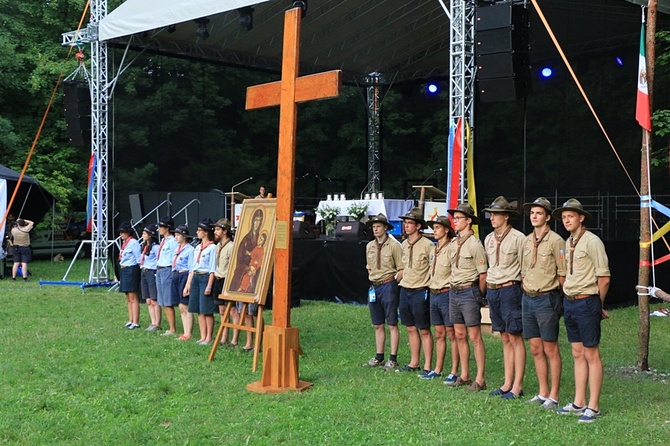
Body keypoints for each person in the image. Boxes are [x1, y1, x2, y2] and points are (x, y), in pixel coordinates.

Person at [552, 199, 610, 423]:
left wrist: (599, 305)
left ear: (581, 217)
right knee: (577, 352)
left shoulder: (592, 241)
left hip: (587, 301)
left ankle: (593, 407)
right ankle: (579, 402)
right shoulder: (568, 242)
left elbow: (603, 277)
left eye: (571, 216)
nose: (566, 220)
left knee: (591, 353)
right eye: (564, 217)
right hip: (570, 301)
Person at [521, 197, 566, 410]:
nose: (534, 216)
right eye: (532, 213)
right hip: (527, 298)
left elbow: (563, 273)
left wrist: (556, 295)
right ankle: (542, 392)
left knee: (550, 348)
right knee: (535, 347)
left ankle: (554, 395)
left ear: (548, 217)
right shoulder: (526, 240)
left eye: (539, 213)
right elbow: (523, 268)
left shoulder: (556, 241)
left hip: (546, 298)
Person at [482, 196, 526, 399]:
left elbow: (525, 269)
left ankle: (518, 385)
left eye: (496, 214)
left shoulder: (519, 238)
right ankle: (507, 382)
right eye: (491, 214)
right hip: (493, 289)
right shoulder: (488, 239)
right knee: (504, 337)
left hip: (510, 289)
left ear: (506, 217)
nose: (492, 218)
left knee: (515, 336)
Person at [446, 203, 488, 391]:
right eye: (454, 218)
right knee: (459, 334)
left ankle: (480, 378)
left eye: (458, 218)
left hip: (469, 291)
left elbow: (483, 274)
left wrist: (478, 295)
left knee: (474, 336)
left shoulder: (475, 244)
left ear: (469, 221)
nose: (455, 221)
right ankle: (465, 374)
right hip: (454, 291)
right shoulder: (453, 243)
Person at [362, 213, 403, 370]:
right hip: (374, 286)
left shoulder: (394, 246)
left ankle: (393, 358)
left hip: (388, 285)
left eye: (378, 226)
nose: (375, 229)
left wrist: (392, 283)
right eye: (373, 226)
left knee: (392, 323)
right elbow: (369, 266)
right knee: (377, 324)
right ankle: (379, 356)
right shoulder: (369, 246)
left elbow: (401, 268)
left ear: (386, 228)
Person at [396, 208, 434, 375]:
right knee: (410, 327)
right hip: (405, 289)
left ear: (419, 226)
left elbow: (432, 268)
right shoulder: (403, 245)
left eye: (410, 223)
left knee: (424, 329)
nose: (406, 225)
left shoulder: (428, 245)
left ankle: (427, 365)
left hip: (420, 290)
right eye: (405, 222)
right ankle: (414, 362)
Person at [424, 215, 460, 382]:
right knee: (439, 333)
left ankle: (454, 370)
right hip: (434, 293)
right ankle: (437, 369)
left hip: (446, 293)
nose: (434, 230)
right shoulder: (433, 248)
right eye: (434, 227)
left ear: (446, 230)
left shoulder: (452, 247)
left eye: (437, 227)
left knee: (451, 333)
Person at [184, 218, 217, 345]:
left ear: (206, 232)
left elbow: (212, 269)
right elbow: (193, 268)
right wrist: (188, 284)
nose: (197, 233)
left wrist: (209, 285)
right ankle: (203, 336)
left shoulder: (212, 248)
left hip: (205, 277)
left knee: (206, 309)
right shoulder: (197, 247)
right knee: (198, 308)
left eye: (200, 231)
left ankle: (209, 337)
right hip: (196, 277)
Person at [212, 218, 235, 345]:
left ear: (225, 231)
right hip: (218, 279)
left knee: (231, 310)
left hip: (227, 279)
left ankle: (234, 339)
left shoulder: (231, 247)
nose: (215, 232)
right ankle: (224, 337)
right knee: (221, 310)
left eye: (218, 229)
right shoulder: (217, 246)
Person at [156, 216, 179, 336]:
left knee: (167, 300)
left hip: (167, 269)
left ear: (167, 228)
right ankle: (171, 327)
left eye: (161, 227)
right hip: (160, 269)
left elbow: (174, 257)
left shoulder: (173, 241)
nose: (159, 229)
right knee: (163, 300)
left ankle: (172, 328)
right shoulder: (163, 240)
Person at [172, 225, 195, 341]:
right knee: (180, 306)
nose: (175, 237)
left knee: (185, 305)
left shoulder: (190, 250)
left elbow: (191, 268)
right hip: (176, 274)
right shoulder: (177, 249)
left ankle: (188, 333)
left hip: (184, 275)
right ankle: (185, 331)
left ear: (184, 236)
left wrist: (188, 284)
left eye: (177, 235)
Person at [118, 221, 142, 329]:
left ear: (128, 232)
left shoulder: (133, 243)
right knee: (127, 296)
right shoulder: (125, 243)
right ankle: (130, 319)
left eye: (123, 232)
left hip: (131, 269)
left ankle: (136, 321)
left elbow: (138, 259)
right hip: (124, 269)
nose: (121, 235)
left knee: (133, 296)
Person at [140, 224, 161, 332]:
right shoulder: (144, 246)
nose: (142, 235)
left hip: (152, 272)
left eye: (144, 233)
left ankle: (157, 323)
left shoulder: (156, 247)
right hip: (144, 271)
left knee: (154, 299)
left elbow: (159, 260)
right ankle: (152, 322)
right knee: (148, 300)